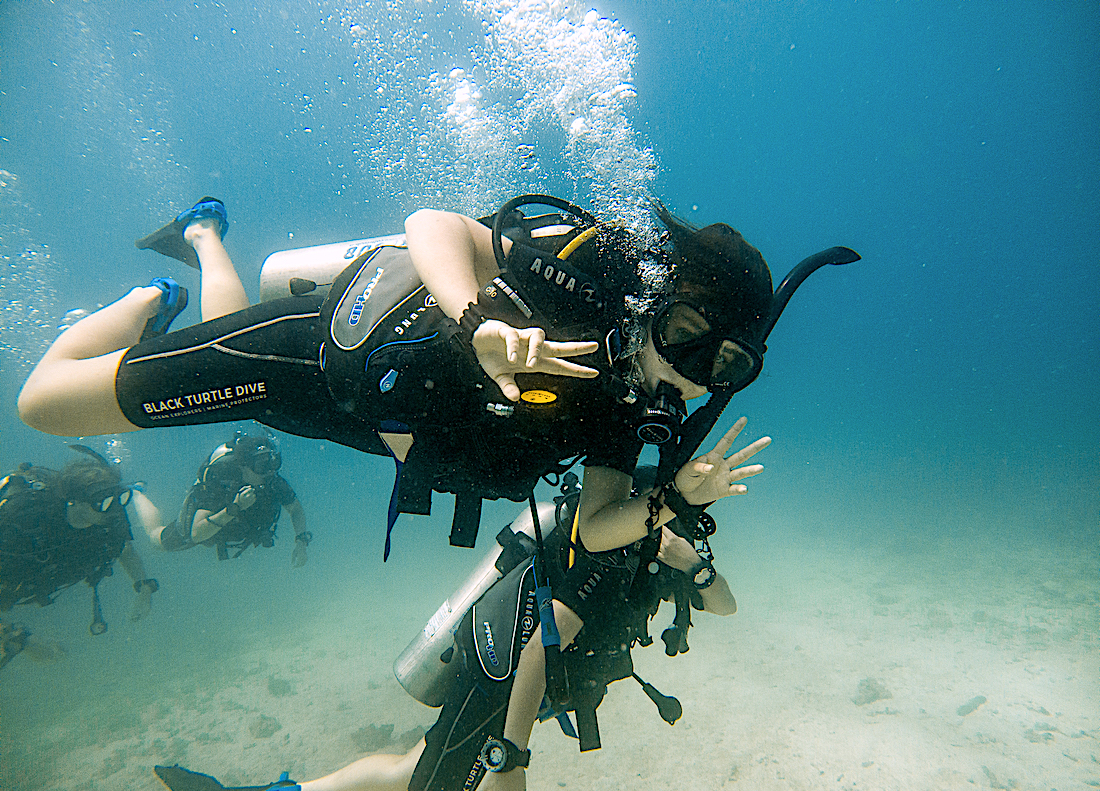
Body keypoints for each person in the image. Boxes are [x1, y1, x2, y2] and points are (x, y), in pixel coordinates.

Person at [17, 195, 852, 557]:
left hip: (355, 422)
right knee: (43, 407)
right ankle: (147, 296)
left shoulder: (632, 411)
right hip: (314, 350)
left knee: (212, 336)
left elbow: (593, 525)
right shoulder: (586, 280)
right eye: (687, 338)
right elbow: (434, 225)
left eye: (727, 365)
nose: (692, 373)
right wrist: (479, 323)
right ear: (656, 306)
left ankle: (202, 238)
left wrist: (675, 498)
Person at [154, 468, 743, 791]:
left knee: (415, 764)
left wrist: (697, 571)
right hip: (499, 684)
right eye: (686, 509)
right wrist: (512, 757)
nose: (690, 526)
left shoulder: (667, 552)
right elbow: (540, 648)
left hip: (505, 682)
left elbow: (726, 606)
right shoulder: (615, 559)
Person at [0, 447, 159, 635]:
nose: (115, 509)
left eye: (120, 498)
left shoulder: (107, 517)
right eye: (103, 502)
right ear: (75, 501)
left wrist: (144, 588)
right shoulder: (24, 525)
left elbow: (124, 548)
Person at [153, 431, 312, 566]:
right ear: (243, 465)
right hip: (211, 526)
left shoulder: (272, 480)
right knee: (157, 540)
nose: (270, 471)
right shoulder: (220, 480)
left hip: (237, 529)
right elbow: (196, 534)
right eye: (262, 465)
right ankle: (137, 493)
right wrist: (235, 507)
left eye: (274, 463)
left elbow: (295, 509)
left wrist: (301, 541)